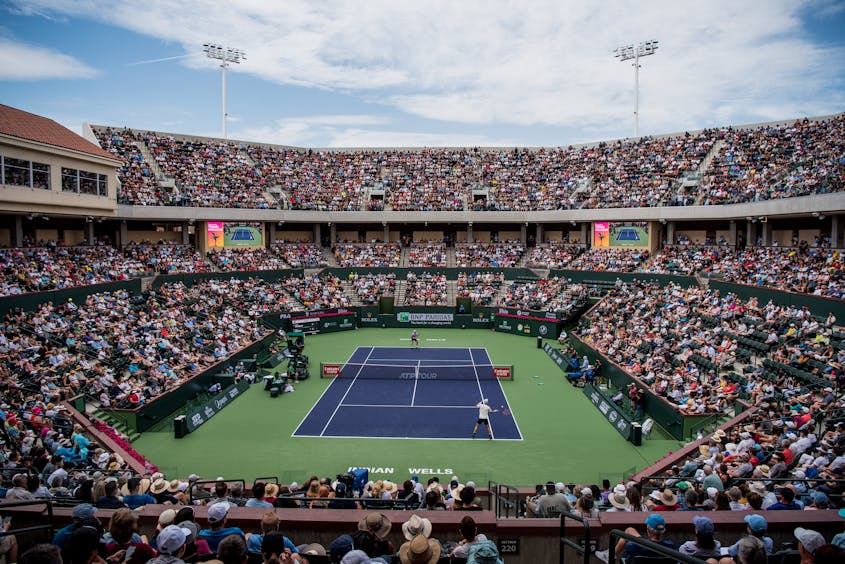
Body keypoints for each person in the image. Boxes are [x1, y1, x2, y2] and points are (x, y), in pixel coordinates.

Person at [611, 514, 676, 564]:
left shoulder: (633, 546)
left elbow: (627, 560)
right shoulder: (670, 546)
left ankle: (610, 555)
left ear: (648, 529)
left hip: (640, 546)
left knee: (629, 531)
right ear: (663, 530)